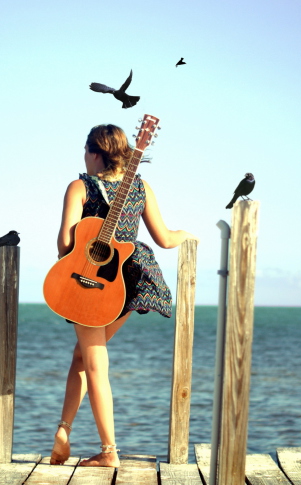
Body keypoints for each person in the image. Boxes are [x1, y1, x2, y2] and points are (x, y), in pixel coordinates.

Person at [49, 124, 197, 467]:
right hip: (128, 278)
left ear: (96, 152)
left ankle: (108, 452)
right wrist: (188, 235)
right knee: (82, 358)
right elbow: (164, 237)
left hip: (90, 281)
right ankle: (63, 432)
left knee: (96, 363)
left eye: (86, 152)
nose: (84, 159)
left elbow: (63, 245)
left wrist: (86, 237)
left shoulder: (79, 186)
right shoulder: (140, 186)